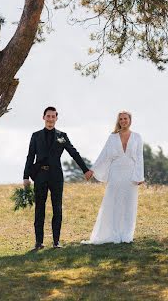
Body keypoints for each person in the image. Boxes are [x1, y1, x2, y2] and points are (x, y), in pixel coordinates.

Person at [23, 106, 93, 250]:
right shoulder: (36, 136)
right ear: (43, 118)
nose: (50, 119)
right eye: (48, 116)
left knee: (57, 209)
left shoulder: (62, 136)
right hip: (40, 176)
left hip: (56, 176)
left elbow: (74, 153)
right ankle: (39, 242)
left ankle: (56, 242)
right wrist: (25, 177)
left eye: (53, 116)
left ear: (56, 118)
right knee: (39, 209)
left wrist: (85, 170)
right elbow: (30, 156)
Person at [83, 110, 145, 244]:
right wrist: (92, 170)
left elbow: (140, 157)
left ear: (130, 120)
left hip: (131, 173)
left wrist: (139, 175)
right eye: (121, 119)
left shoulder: (137, 137)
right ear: (118, 121)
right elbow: (104, 155)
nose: (123, 121)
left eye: (125, 118)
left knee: (129, 204)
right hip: (115, 173)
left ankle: (127, 235)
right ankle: (115, 234)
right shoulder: (112, 137)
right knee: (114, 202)